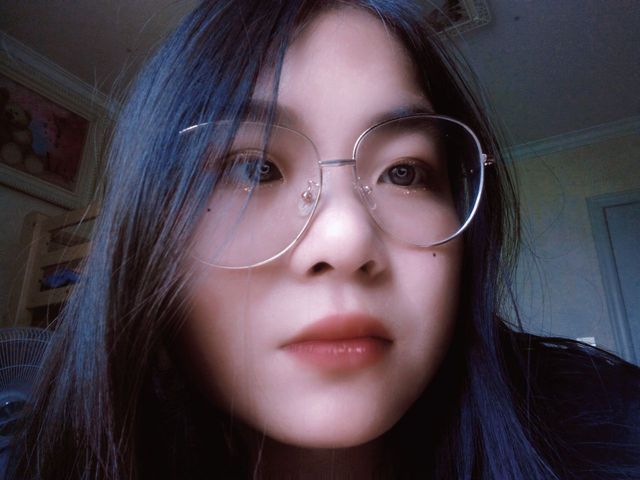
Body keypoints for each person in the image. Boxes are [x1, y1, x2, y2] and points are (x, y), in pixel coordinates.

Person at [6, 1, 640, 479]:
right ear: (148, 230)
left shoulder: (608, 430)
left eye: (404, 172)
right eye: (255, 168)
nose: (345, 239)